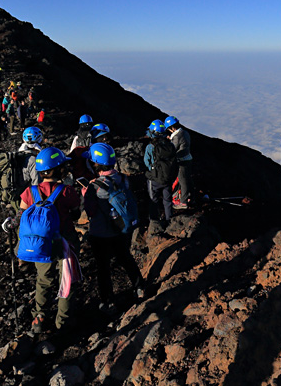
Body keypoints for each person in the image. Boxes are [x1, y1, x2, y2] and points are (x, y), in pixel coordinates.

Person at [18, 148, 81, 333]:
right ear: (59, 169)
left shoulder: (29, 192)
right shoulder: (67, 191)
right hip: (65, 242)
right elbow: (76, 214)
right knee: (66, 280)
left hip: (40, 244)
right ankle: (63, 320)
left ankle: (40, 316)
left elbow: (22, 215)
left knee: (43, 279)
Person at [83, 143, 148, 314]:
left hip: (100, 234)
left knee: (103, 267)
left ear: (96, 163)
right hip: (121, 229)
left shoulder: (94, 187)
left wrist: (86, 193)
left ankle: (108, 301)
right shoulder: (123, 179)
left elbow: (90, 211)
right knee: (126, 258)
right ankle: (140, 287)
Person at [144, 120, 174, 228]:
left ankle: (155, 223)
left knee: (153, 200)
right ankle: (169, 220)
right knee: (167, 200)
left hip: (154, 179)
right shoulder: (169, 144)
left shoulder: (150, 147)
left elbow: (147, 162)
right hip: (168, 178)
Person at [165, 116, 192, 209]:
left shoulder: (176, 136)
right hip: (188, 158)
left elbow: (173, 149)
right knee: (187, 179)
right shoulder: (185, 132)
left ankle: (183, 202)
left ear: (172, 128)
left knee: (183, 180)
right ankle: (189, 197)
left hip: (182, 161)